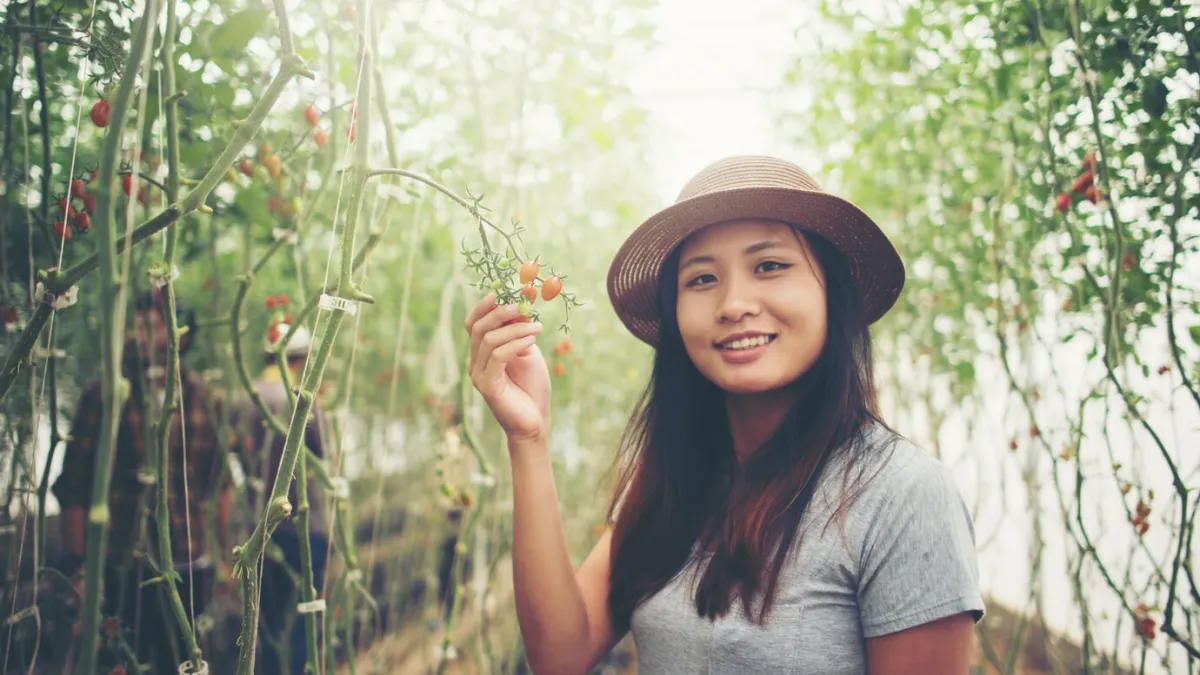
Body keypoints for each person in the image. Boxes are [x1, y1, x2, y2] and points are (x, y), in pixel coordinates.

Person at [465, 155, 985, 674]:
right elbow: (561, 653)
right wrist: (528, 439)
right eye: (702, 278)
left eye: (769, 266)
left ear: (833, 292)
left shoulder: (901, 495)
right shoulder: (672, 481)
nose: (734, 303)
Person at [53, 289, 234, 674]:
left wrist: (225, 557)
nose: (139, 333)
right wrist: (79, 568)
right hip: (120, 565)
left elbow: (220, 482)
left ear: (179, 335)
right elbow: (72, 489)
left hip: (189, 561)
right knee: (121, 659)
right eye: (136, 323)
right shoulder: (104, 395)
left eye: (151, 325)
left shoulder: (203, 397)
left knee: (181, 660)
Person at [227, 321, 329, 675]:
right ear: (301, 358)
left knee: (264, 620)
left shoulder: (244, 395)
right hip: (304, 521)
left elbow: (234, 453)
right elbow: (324, 454)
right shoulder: (302, 397)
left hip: (257, 524)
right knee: (305, 613)